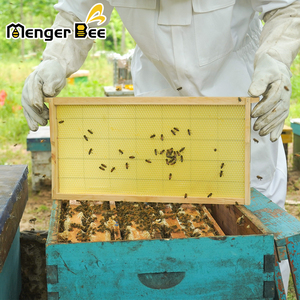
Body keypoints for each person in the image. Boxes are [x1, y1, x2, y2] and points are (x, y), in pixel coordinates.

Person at [21, 0, 300, 293]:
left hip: (238, 103)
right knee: (163, 237)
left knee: (253, 256)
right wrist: (56, 58)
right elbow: (78, 14)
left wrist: (275, 56)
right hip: (160, 110)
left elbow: (287, 6)